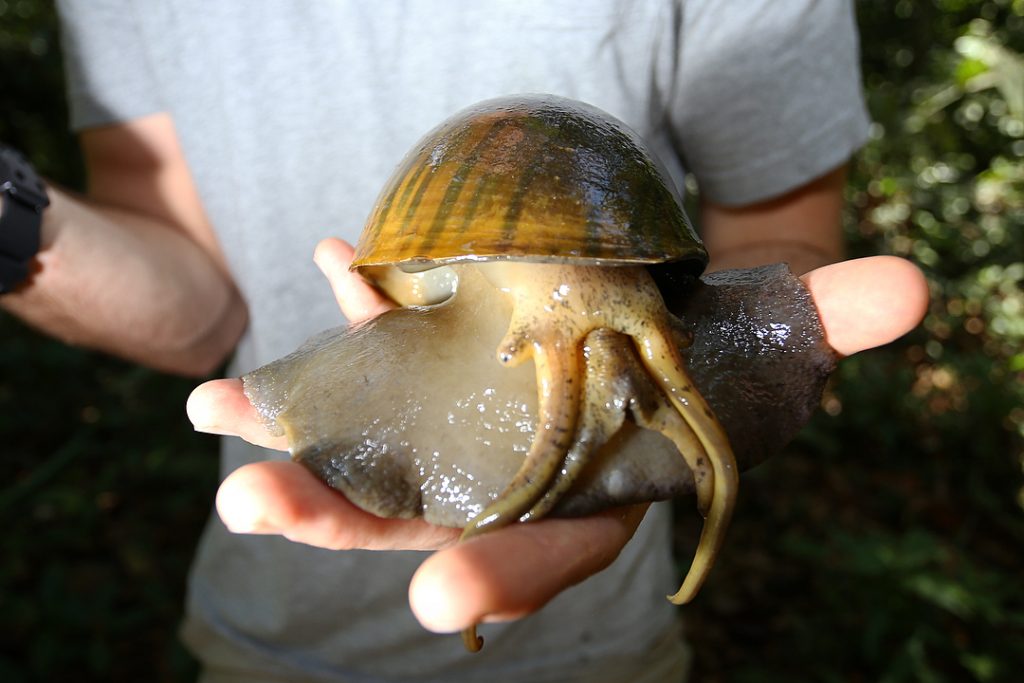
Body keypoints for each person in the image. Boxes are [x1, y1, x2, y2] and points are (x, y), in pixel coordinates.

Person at [0, 2, 927, 681]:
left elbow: (777, 234)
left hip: (599, 654)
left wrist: (691, 350)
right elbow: (196, 305)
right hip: (262, 640)